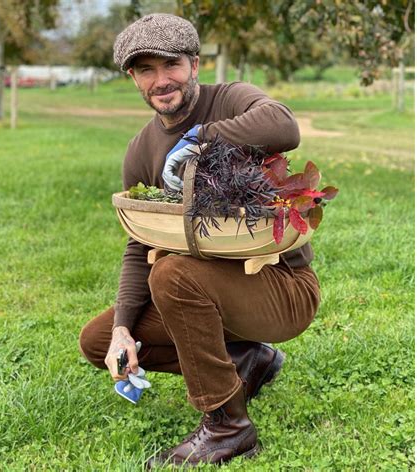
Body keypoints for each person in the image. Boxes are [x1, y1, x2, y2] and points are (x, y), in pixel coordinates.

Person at [79, 13, 320, 468]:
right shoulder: (140, 149)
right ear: (133, 78)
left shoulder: (230, 99)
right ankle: (247, 362)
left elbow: (285, 127)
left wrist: (202, 138)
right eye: (145, 69)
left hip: (281, 289)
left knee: (172, 273)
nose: (161, 80)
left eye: (170, 64)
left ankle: (229, 426)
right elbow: (138, 244)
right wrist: (122, 330)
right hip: (204, 295)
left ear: (193, 63)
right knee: (97, 340)